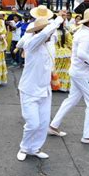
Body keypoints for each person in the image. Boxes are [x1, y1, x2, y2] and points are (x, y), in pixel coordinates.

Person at [49, 8, 89, 145]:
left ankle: (53, 125)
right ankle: (87, 135)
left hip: (78, 71)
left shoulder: (83, 32)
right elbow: (81, 53)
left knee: (71, 100)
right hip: (83, 73)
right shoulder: (86, 35)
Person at [17, 12, 65, 161]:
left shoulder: (49, 43)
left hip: (45, 90)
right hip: (29, 90)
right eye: (48, 31)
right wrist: (58, 20)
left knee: (43, 124)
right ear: (38, 31)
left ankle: (35, 148)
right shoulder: (31, 43)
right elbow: (44, 33)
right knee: (32, 123)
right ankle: (24, 147)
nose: (52, 34)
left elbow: (50, 35)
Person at [55, 20, 73, 92]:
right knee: (65, 71)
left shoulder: (53, 32)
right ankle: (63, 87)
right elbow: (70, 43)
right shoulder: (66, 32)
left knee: (56, 70)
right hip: (66, 53)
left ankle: (55, 85)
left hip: (56, 53)